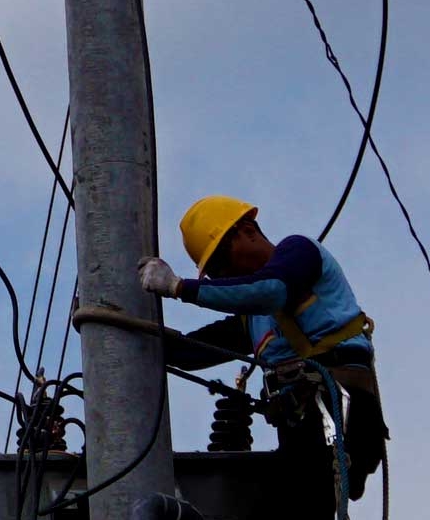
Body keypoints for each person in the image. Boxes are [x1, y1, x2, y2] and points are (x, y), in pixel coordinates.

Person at [138, 195, 385, 500]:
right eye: (214, 272)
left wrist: (179, 287)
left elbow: (272, 290)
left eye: (222, 262)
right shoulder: (254, 319)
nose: (223, 276)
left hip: (342, 412)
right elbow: (194, 350)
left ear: (248, 231)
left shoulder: (299, 253)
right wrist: (117, 328)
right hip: (305, 424)